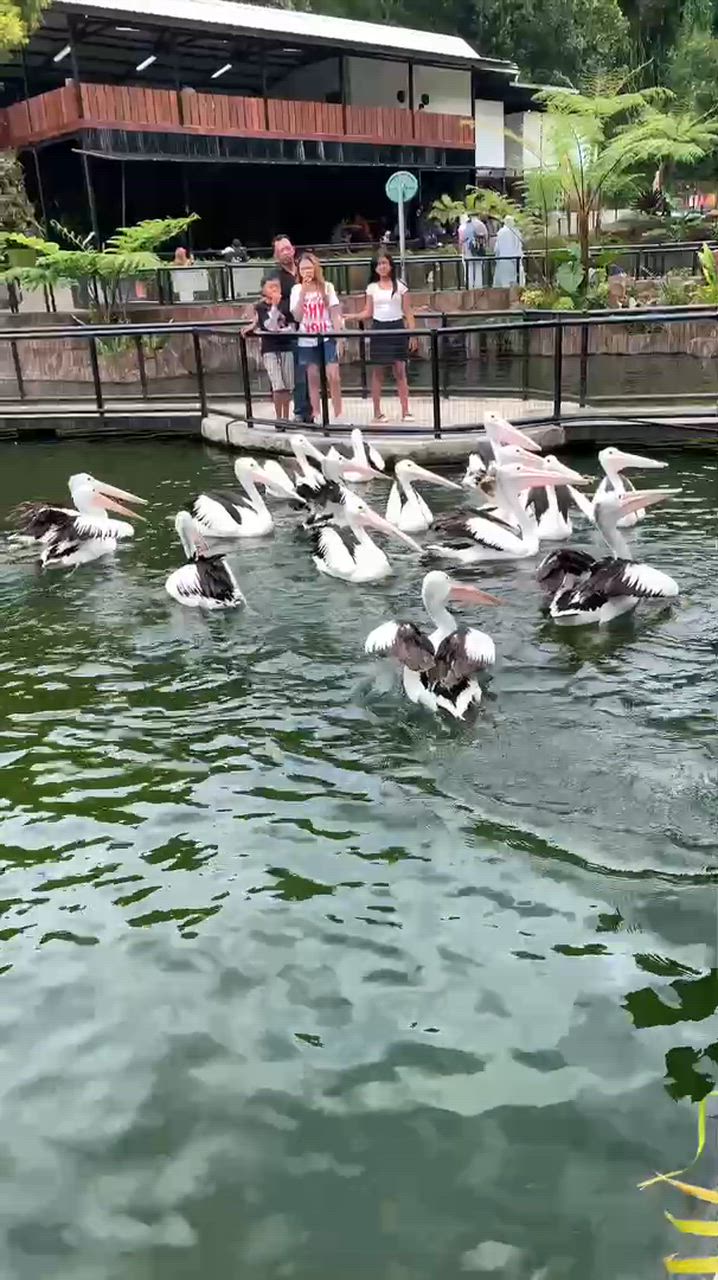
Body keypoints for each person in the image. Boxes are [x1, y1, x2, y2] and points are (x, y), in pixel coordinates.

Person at [355, 251, 416, 423]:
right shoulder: (372, 288)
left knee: (400, 371)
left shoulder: (400, 286)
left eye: (384, 263)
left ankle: (406, 411)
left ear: (390, 265)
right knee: (378, 372)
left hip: (397, 327)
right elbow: (368, 312)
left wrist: (412, 334)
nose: (382, 267)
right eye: (379, 264)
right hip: (379, 328)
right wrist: (351, 316)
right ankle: (377, 412)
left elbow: (408, 312)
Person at [290, 252, 343, 423]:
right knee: (312, 377)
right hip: (307, 338)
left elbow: (334, 312)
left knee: (333, 375)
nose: (306, 271)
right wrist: (302, 295)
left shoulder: (327, 287)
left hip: (326, 335)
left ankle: (338, 413)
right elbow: (297, 317)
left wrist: (339, 337)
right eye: (303, 268)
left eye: (309, 267)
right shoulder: (296, 289)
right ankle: (316, 413)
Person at [266, 234, 312, 424]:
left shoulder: (303, 269)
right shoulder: (274, 276)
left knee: (312, 370)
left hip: (311, 324)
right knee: (298, 371)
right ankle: (300, 410)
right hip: (290, 329)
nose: (286, 252)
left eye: (288, 248)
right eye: (281, 250)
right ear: (276, 255)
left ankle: (312, 409)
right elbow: (268, 301)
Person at [252, 277, 295, 422]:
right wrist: (274, 307)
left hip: (286, 346)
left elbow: (292, 326)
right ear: (264, 290)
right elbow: (269, 326)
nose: (275, 289)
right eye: (271, 287)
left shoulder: (287, 304)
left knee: (287, 386)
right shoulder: (261, 307)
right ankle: (278, 418)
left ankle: (286, 417)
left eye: (277, 286)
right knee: (278, 385)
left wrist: (285, 329)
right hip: (270, 349)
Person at [492, 215, 524, 288]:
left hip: (503, 260)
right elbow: (519, 247)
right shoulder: (517, 232)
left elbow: (497, 248)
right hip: (516, 261)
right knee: (516, 282)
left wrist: (497, 259)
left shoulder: (501, 232)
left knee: (504, 284)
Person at [458, 212, 487, 289]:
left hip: (467, 249)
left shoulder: (463, 227)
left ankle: (470, 285)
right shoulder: (481, 225)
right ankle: (478, 285)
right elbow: (486, 237)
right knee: (478, 267)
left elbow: (461, 240)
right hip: (478, 249)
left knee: (469, 267)